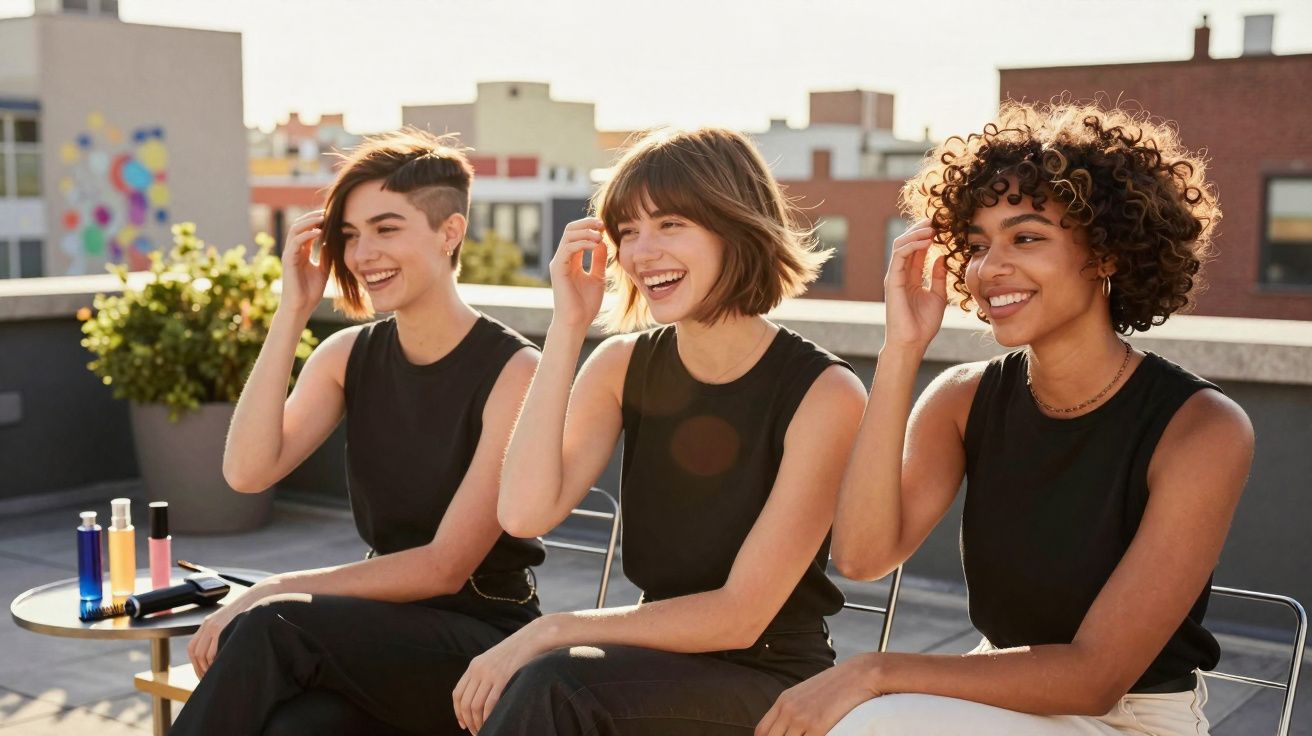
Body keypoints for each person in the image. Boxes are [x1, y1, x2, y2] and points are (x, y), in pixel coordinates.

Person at [756, 101, 1253, 736]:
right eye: (976, 245)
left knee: (863, 720)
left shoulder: (1201, 429)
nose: (990, 269)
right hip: (991, 702)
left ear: (1106, 253)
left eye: (1026, 237)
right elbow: (860, 555)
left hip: (1129, 721)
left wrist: (873, 671)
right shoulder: (963, 399)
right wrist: (902, 350)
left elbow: (1095, 676)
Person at [450, 127, 868, 734]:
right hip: (649, 662)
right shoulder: (622, 366)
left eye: (671, 224)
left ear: (735, 224)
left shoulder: (824, 393)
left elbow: (740, 616)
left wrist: (553, 628)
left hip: (770, 683)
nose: (642, 252)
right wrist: (568, 324)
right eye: (628, 231)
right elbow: (522, 513)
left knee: (553, 683)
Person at [170, 129, 544, 735]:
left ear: (450, 233)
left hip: (483, 644)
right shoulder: (348, 355)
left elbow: (444, 567)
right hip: (377, 629)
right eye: (349, 234)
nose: (362, 253)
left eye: (386, 228)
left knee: (275, 623)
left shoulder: (516, 371)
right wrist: (291, 309)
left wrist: (274, 589)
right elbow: (246, 470)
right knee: (293, 728)